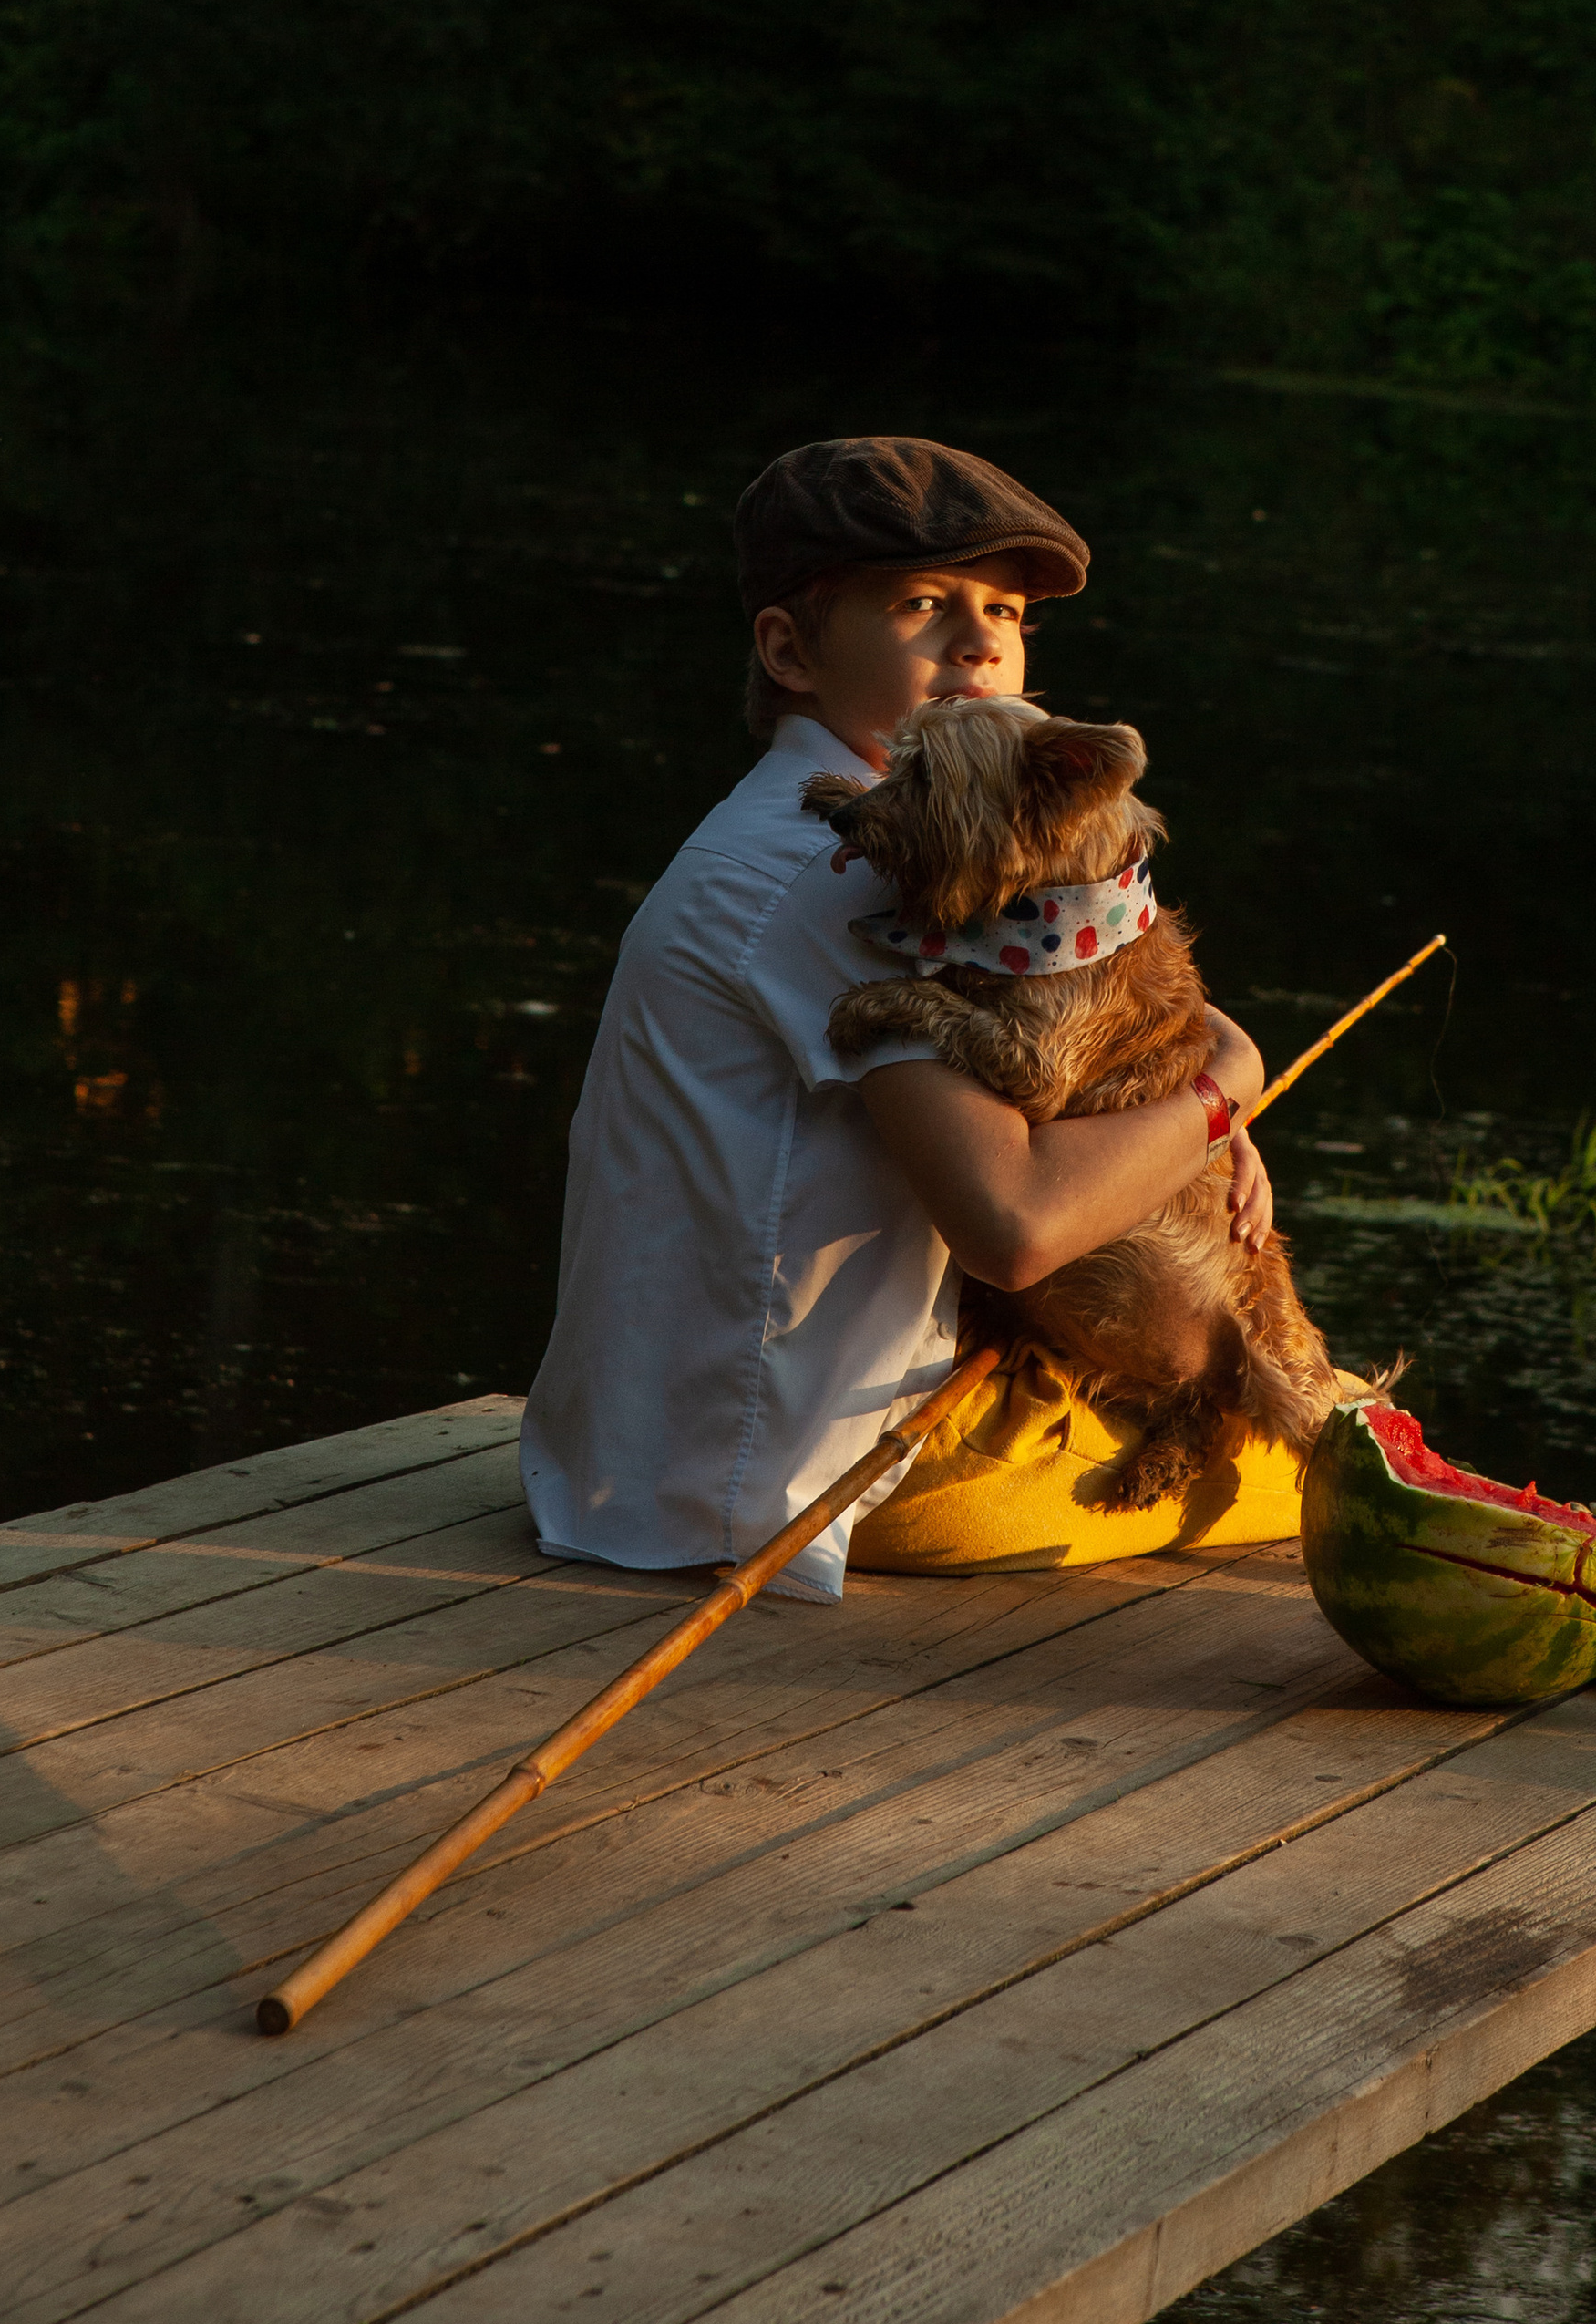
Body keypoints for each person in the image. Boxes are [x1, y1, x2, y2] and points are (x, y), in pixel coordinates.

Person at [518, 433, 1302, 1600]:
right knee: (1312, 1444)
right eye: (923, 604)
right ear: (789, 649)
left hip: (653, 1451)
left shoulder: (794, 830)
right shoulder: (844, 874)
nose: (979, 642)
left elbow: (1067, 1024)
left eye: (1005, 612)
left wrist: (1194, 1117)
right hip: (807, 1476)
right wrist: (1223, 1084)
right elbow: (1016, 1225)